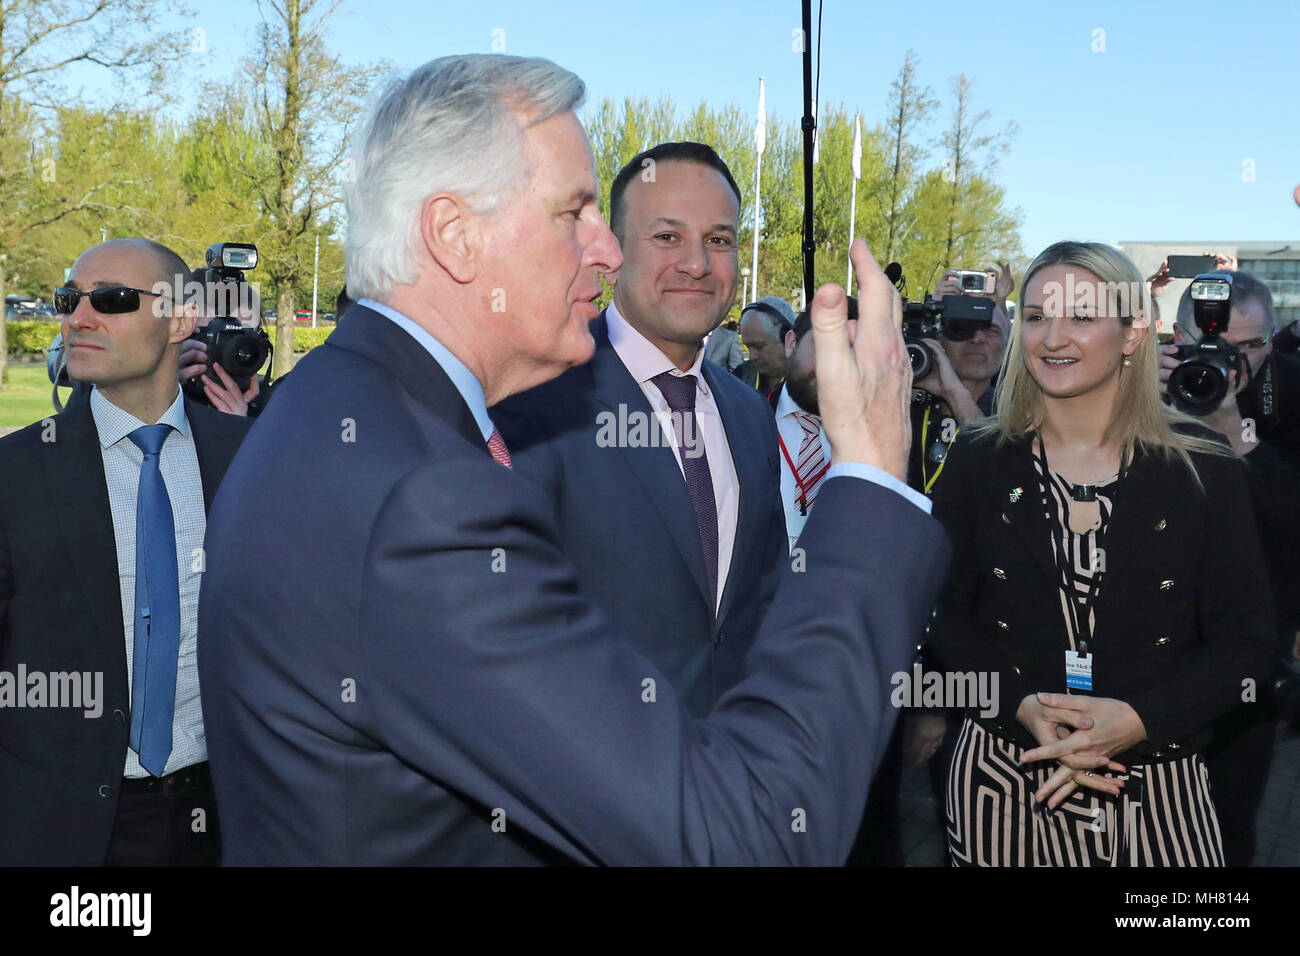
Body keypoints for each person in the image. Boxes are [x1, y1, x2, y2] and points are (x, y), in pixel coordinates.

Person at [196, 53, 950, 866]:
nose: (606, 249)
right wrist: (869, 472)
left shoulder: (342, 405)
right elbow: (749, 839)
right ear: (454, 235)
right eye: (575, 213)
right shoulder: (420, 496)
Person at [928, 240, 1275, 867]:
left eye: (1082, 317)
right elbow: (938, 615)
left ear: (1133, 332)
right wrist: (1020, 705)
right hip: (1004, 782)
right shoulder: (980, 456)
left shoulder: (1201, 465)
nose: (1052, 337)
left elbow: (1249, 643)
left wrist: (1141, 719)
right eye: (1035, 316)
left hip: (1159, 787)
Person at [493, 142, 786, 718]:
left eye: (719, 240)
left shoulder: (751, 416)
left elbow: (763, 606)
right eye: (668, 237)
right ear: (614, 249)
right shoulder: (532, 401)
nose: (697, 264)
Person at [0, 238, 251, 865]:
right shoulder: (16, 472)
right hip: (62, 834)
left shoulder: (253, 458)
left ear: (182, 320)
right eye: (69, 299)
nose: (78, 319)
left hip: (228, 822)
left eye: (111, 300)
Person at [1156, 266, 1300, 865]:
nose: (1231, 364)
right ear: (1178, 340)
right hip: (1153, 642)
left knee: (1221, 823)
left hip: (1253, 651)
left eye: (1248, 348)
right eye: (1211, 347)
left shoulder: (1291, 393)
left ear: (1272, 340)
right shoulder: (1144, 386)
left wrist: (1237, 436)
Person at [736, 295, 795, 395]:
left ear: (789, 340)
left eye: (759, 346)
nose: (752, 356)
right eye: (748, 347)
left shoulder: (814, 386)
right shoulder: (738, 378)